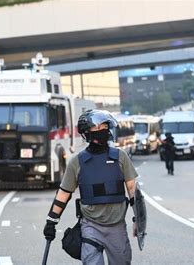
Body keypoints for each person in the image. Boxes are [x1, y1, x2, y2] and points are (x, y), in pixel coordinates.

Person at [43, 109, 138, 265]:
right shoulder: (77, 162)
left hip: (117, 226)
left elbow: (133, 191)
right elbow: (64, 193)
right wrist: (51, 221)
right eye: (98, 127)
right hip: (90, 226)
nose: (103, 131)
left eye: (105, 127)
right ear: (87, 132)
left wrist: (138, 220)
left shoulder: (121, 157)